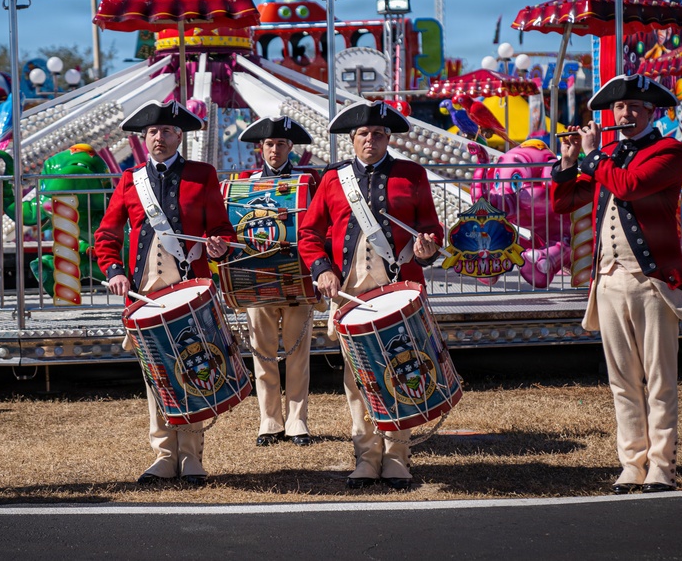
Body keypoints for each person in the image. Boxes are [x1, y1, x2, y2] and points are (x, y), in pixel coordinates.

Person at [551, 74, 682, 495]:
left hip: (653, 282)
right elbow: (564, 203)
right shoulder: (609, 155)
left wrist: (595, 157)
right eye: (619, 108)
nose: (625, 114)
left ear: (652, 113)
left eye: (634, 108)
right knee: (622, 379)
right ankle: (631, 463)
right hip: (611, 280)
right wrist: (568, 160)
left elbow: (629, 187)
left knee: (658, 378)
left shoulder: (670, 151)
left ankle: (661, 466)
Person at [298, 101, 443, 490]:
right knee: (357, 379)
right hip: (352, 296)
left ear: (388, 138)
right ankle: (366, 456)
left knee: (402, 372)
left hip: (399, 293)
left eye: (378, 134)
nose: (371, 140)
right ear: (352, 139)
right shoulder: (333, 179)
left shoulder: (411, 174)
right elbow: (309, 235)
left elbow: (429, 227)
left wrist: (429, 247)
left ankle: (397, 457)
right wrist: (322, 269)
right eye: (363, 134)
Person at [92, 100, 237, 487]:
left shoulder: (202, 175)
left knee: (195, 369)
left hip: (189, 294)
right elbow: (105, 236)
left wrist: (218, 244)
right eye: (153, 132)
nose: (160, 137)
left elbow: (222, 229)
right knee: (155, 377)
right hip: (145, 296)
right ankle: (164, 456)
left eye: (167, 131)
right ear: (144, 138)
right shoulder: (129, 180)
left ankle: (191, 455)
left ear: (179, 136)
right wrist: (116, 271)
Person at [236, 116, 320, 447]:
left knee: (298, 352)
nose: (274, 149)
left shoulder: (308, 181)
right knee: (264, 353)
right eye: (269, 144)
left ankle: (298, 421)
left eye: (281, 144)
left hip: (297, 276)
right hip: (257, 278)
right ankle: (269, 421)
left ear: (290, 148)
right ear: (261, 148)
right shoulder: (245, 182)